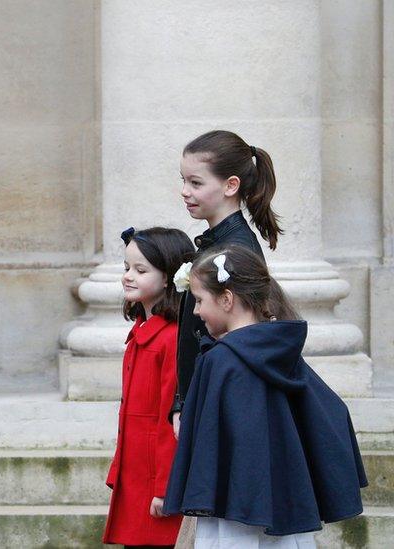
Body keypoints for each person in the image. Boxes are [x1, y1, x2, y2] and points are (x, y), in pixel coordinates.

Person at [163, 246, 367, 546]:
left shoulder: (221, 361)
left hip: (232, 511)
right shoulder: (280, 349)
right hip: (285, 504)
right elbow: (333, 411)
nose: (195, 311)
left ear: (227, 299)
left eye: (199, 300)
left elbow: (208, 439)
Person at [171, 130, 282, 436]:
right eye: (183, 180)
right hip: (204, 395)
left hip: (221, 400)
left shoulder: (235, 250)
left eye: (196, 182)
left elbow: (239, 337)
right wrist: (181, 402)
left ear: (231, 185)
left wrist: (189, 404)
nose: (184, 191)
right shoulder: (215, 243)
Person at [102, 227, 191, 548]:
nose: (128, 276)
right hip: (137, 477)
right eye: (126, 268)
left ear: (168, 277)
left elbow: (171, 421)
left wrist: (166, 488)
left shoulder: (170, 338)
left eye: (141, 270)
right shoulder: (141, 333)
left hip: (156, 481)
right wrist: (119, 471)